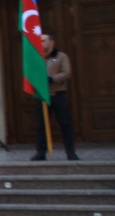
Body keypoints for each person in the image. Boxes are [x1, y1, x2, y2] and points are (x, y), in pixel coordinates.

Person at [33, 32, 80, 161]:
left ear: (51, 43)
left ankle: (70, 151)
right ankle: (40, 152)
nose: (41, 43)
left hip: (58, 94)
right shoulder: (37, 57)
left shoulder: (61, 56)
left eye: (43, 41)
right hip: (42, 95)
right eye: (40, 41)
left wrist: (52, 79)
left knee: (65, 123)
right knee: (41, 125)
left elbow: (67, 73)